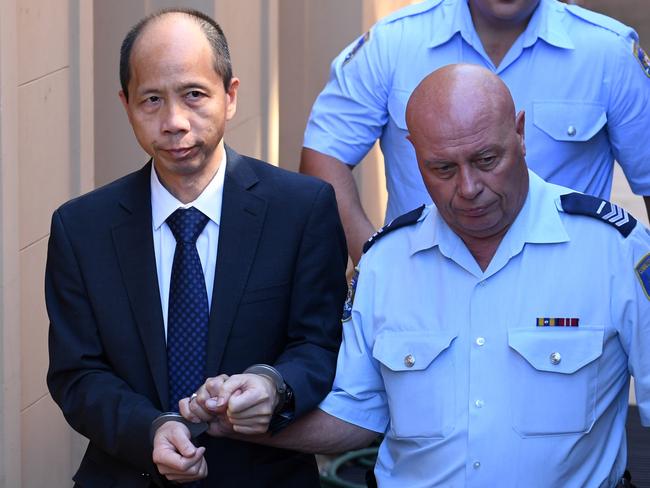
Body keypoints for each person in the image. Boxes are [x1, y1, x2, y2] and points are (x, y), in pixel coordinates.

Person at [182, 64, 650, 487]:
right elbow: (358, 416)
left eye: (487, 160)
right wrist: (243, 423)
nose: (468, 189)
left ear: (521, 133)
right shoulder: (387, 262)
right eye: (442, 168)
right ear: (412, 156)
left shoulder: (613, 250)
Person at [45, 8, 347, 487]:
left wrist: (274, 384)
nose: (174, 122)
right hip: (127, 473)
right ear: (125, 104)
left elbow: (319, 343)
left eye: (194, 95)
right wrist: (153, 430)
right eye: (151, 100)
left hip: (265, 476)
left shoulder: (301, 209)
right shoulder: (81, 229)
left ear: (230, 96)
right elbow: (77, 375)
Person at [300, 0, 650, 263]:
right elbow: (324, 157)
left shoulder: (608, 52)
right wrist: (377, 264)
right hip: (424, 300)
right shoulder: (393, 44)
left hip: (568, 300)